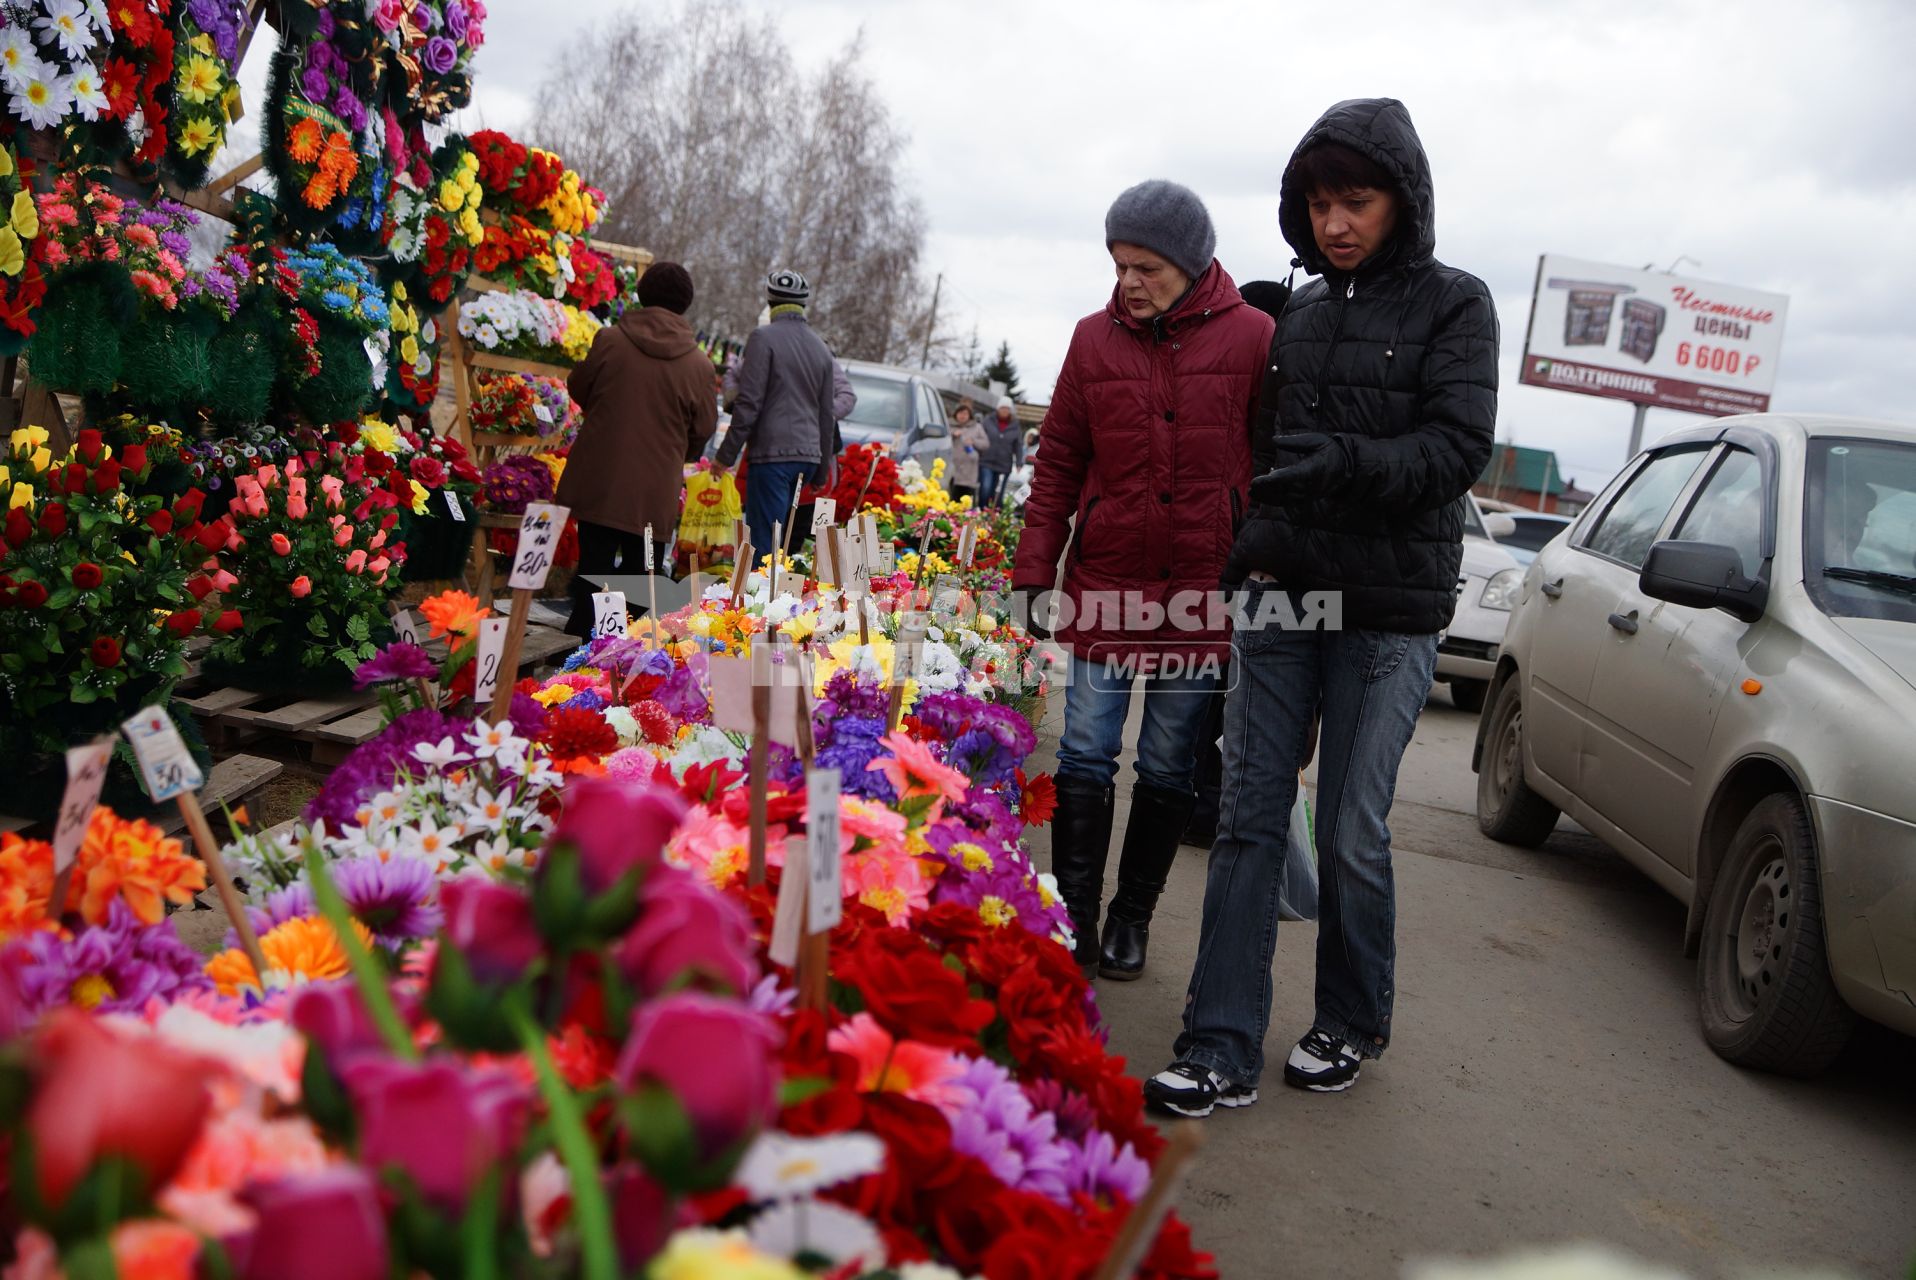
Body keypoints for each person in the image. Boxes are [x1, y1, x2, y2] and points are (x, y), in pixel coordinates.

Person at [1147, 98, 1499, 1116]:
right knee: (1250, 813)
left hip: (1388, 612)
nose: (1334, 221)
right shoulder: (1293, 313)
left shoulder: (1453, 304)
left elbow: (1454, 448)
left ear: (1402, 200)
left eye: (1355, 200)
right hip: (1280, 598)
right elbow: (1258, 458)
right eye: (1317, 202)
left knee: (1349, 826)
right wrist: (1242, 550)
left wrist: (1347, 460)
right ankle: (1215, 1041)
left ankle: (1347, 1018)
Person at [1012, 180, 1274, 979]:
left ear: (1193, 264)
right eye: (1121, 264)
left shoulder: (1256, 338)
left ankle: (1132, 918)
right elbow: (1057, 462)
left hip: (1201, 594)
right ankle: (1078, 916)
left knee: (1167, 764)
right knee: (1087, 753)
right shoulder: (1094, 341)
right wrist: (1034, 570)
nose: (1130, 281)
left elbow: (1272, 468)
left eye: (1148, 266)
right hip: (1104, 582)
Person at [557, 262, 717, 637]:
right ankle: (622, 657)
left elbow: (580, 388)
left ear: (642, 293)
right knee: (641, 576)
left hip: (602, 478)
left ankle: (580, 648)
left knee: (593, 564)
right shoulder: (698, 365)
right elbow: (705, 428)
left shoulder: (611, 339)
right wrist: (679, 449)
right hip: (654, 491)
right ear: (685, 303)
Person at [714, 269, 839, 560]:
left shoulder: (763, 338)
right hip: (807, 458)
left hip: (772, 456)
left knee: (763, 542)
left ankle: (758, 603)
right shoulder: (821, 348)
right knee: (780, 539)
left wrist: (725, 456)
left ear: (770, 300)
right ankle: (778, 600)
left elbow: (749, 402)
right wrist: (821, 469)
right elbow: (826, 414)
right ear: (803, 303)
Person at [977, 395, 1025, 507]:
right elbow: (980, 436)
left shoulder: (1015, 425)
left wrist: (1019, 462)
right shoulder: (988, 421)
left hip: (1004, 465)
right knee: (986, 487)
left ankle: (994, 515)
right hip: (986, 461)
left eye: (1007, 408)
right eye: (1002, 408)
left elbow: (1018, 445)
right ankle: (981, 509)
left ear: (1010, 411)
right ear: (998, 408)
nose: (1004, 410)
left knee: (998, 492)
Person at [948, 399, 987, 503]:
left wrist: (973, 441)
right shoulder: (948, 425)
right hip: (951, 469)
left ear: (970, 415)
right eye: (960, 413)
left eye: (966, 413)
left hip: (969, 471)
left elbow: (985, 444)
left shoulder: (977, 427)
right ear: (956, 414)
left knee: (965, 502)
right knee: (950, 499)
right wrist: (952, 435)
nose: (963, 416)